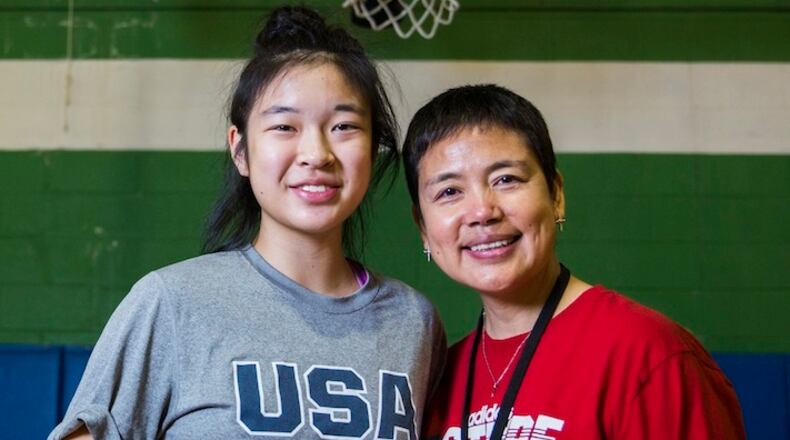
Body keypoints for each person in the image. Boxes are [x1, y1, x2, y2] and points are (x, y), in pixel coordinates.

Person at [49, 6, 445, 440]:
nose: (317, 154)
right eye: (284, 126)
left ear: (373, 150)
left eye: (344, 125)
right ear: (240, 150)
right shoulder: (172, 304)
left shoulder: (414, 322)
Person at [402, 84, 745, 439]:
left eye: (506, 179)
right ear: (424, 229)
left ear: (557, 196)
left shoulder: (650, 356)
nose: (482, 212)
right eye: (449, 192)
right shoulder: (437, 380)